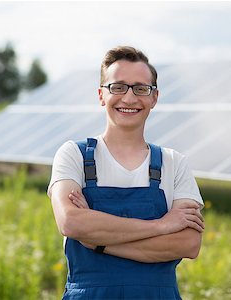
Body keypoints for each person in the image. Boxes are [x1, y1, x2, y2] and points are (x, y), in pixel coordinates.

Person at [48, 46, 205, 299]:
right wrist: (162, 225)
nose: (129, 98)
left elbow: (188, 243)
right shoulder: (73, 155)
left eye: (141, 88)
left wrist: (97, 241)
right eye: (118, 87)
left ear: (154, 97)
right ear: (101, 95)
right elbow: (71, 222)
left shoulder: (174, 163)